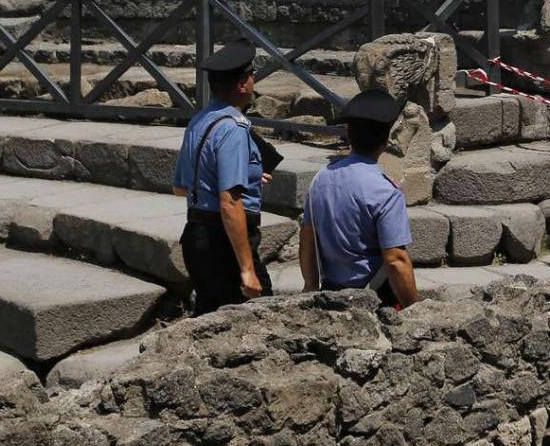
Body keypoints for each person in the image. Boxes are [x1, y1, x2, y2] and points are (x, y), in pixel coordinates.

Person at [172, 40, 273, 315]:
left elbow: (180, 187)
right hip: (223, 243)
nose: (253, 82)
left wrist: (249, 176)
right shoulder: (233, 128)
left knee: (209, 318)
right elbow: (229, 202)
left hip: (196, 234)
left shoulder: (199, 120)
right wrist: (247, 269)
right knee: (261, 317)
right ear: (242, 84)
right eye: (251, 75)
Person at [299, 89, 419, 307]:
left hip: (331, 294)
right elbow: (395, 261)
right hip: (374, 298)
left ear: (350, 135)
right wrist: (416, 310)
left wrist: (310, 286)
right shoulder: (385, 192)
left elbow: (307, 239)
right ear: (386, 138)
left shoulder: (320, 179)